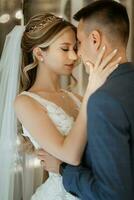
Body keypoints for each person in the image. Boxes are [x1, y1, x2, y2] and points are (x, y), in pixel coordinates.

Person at [11, 12, 118, 200]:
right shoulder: (25, 102)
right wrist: (92, 91)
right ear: (39, 53)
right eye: (64, 48)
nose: (74, 55)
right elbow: (70, 155)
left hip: (89, 190)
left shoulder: (76, 98)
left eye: (75, 48)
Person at [39, 1, 134, 200]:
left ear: (95, 39)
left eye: (79, 44)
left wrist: (63, 169)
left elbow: (112, 195)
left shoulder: (105, 101)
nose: (78, 55)